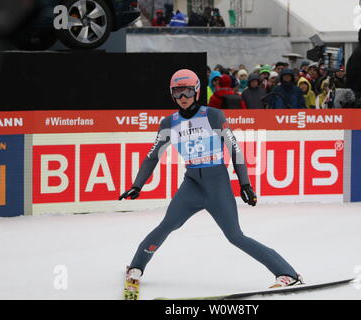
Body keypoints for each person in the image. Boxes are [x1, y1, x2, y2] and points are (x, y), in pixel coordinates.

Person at [120, 69, 303, 300]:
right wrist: (138, 185)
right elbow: (152, 156)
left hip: (217, 184)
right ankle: (135, 267)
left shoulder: (213, 115)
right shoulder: (169, 122)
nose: (182, 97)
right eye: (177, 92)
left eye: (186, 91)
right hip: (192, 185)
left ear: (196, 90)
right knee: (167, 225)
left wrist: (245, 184)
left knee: (235, 236)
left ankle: (287, 273)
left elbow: (234, 149)